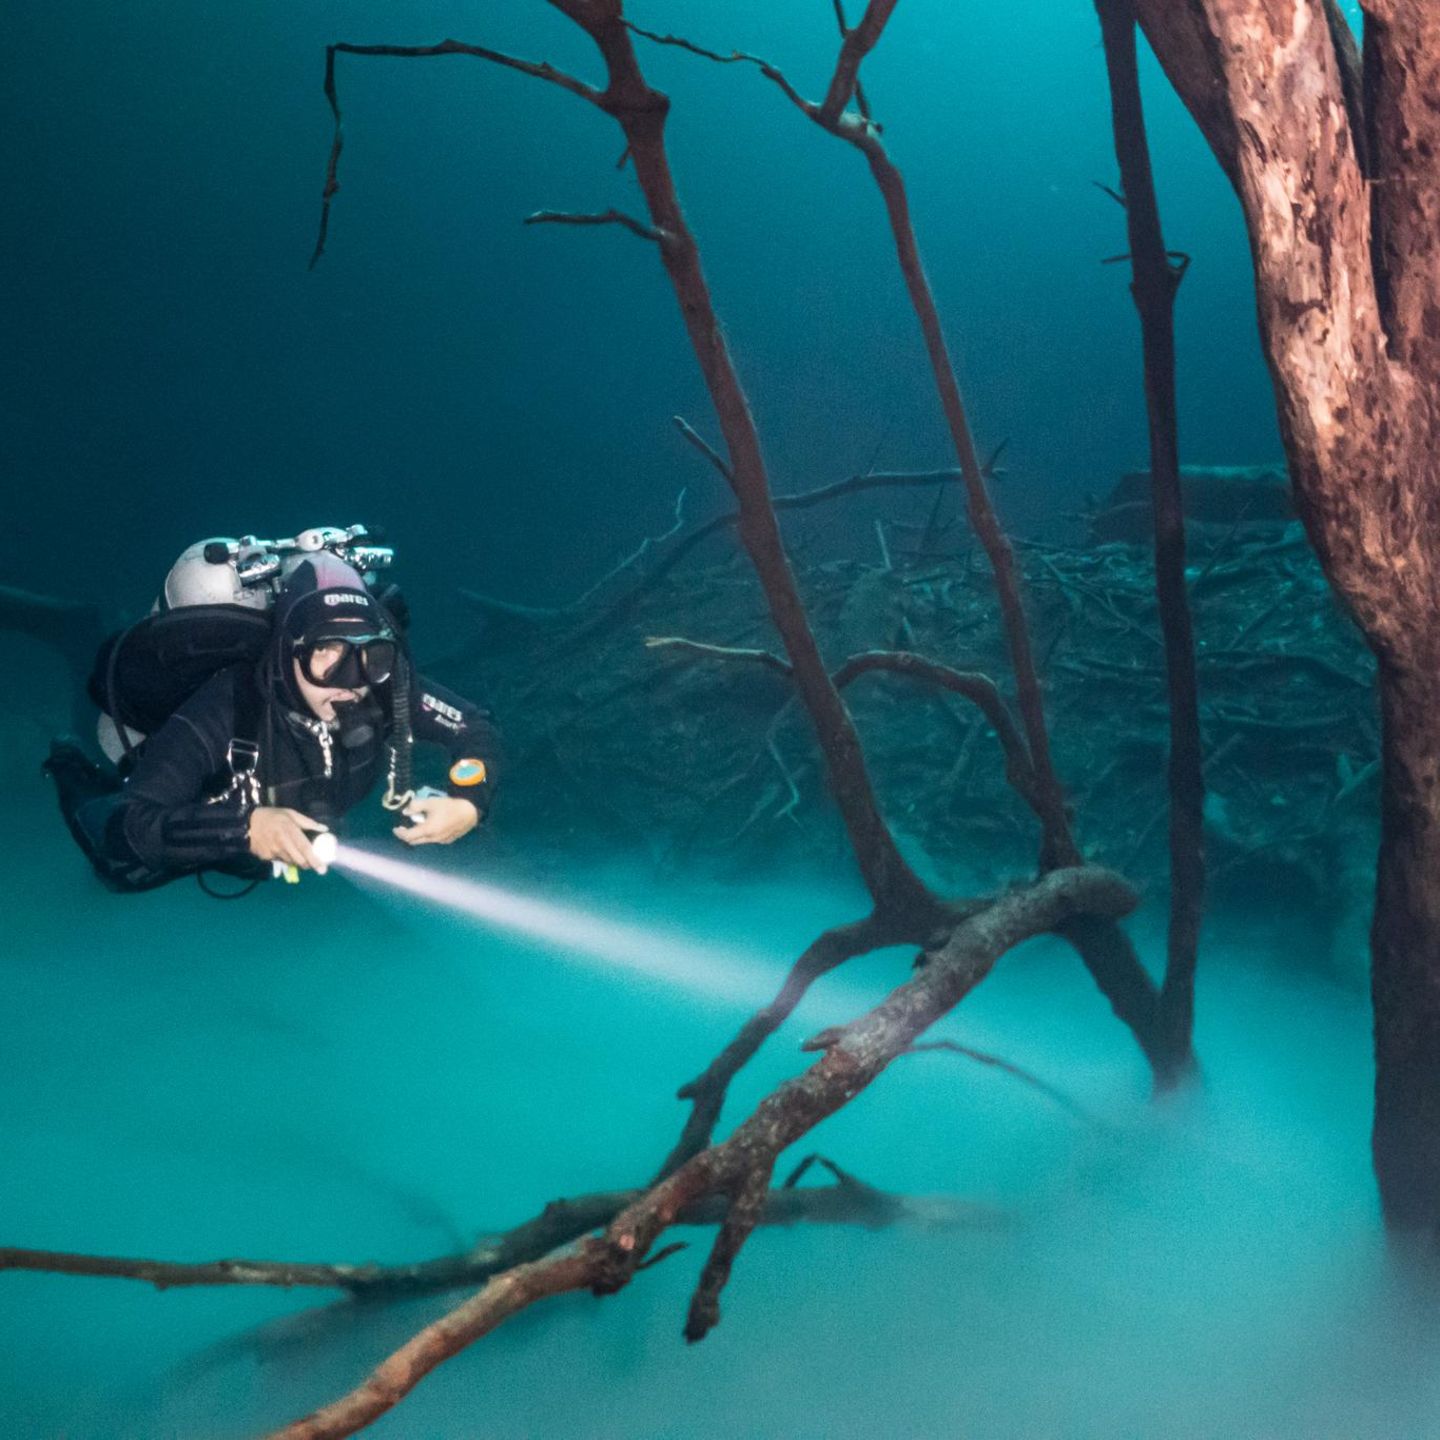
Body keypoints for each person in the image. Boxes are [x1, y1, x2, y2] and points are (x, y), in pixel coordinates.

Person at [44, 552, 499, 892]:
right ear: (289, 653)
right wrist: (242, 829)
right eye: (327, 653)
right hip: (163, 778)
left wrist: (469, 800)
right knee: (123, 875)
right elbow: (118, 823)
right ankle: (69, 736)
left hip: (276, 832)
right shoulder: (228, 707)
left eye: (371, 655)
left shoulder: (384, 689)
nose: (352, 683)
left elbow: (475, 726)